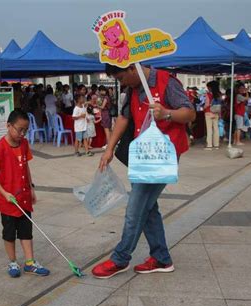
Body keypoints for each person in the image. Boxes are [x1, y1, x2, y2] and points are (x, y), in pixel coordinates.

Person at [92, 64, 195, 279]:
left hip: (163, 156)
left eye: (121, 77)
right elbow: (124, 117)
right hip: (143, 157)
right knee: (148, 207)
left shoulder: (167, 81)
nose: (121, 83)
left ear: (132, 69)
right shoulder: (131, 89)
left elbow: (189, 113)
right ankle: (161, 258)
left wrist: (166, 113)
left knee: (135, 208)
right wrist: (109, 148)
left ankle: (120, 258)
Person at [0, 109, 50, 278]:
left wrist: (31, 188)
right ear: (9, 126)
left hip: (23, 197)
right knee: (9, 233)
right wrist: (4, 192)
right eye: (19, 129)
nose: (22, 134)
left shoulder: (24, 144)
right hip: (7, 201)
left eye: (25, 130)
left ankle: (30, 263)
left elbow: (26, 166)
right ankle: (13, 261)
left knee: (26, 231)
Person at [204, 80, 222, 150]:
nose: (207, 88)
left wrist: (204, 108)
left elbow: (207, 104)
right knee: (216, 129)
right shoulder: (219, 94)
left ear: (210, 87)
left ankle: (209, 145)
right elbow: (220, 104)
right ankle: (216, 145)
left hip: (208, 112)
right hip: (216, 113)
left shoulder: (208, 94)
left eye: (208, 87)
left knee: (209, 130)